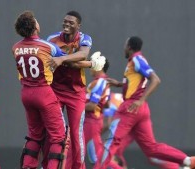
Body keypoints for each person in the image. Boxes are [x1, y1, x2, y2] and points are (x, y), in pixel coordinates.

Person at [99, 36, 195, 168]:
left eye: (125, 45)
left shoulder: (137, 60)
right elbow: (138, 83)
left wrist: (140, 100)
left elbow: (155, 79)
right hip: (140, 109)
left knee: (109, 144)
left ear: (129, 47)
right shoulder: (135, 61)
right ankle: (188, 161)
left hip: (131, 108)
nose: (124, 48)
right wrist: (120, 84)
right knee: (151, 148)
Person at [12, 11, 73, 169]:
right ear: (34, 26)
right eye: (35, 20)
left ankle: (28, 166)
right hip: (43, 93)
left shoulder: (16, 48)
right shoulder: (47, 46)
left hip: (26, 94)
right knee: (59, 137)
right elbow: (66, 60)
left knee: (34, 135)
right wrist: (89, 62)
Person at [46, 11, 92, 169]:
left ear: (78, 26)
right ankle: (48, 165)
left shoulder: (84, 39)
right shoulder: (51, 40)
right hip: (55, 92)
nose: (66, 24)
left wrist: (62, 59)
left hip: (76, 93)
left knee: (76, 135)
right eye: (65, 21)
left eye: (71, 22)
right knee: (53, 133)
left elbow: (83, 54)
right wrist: (86, 63)